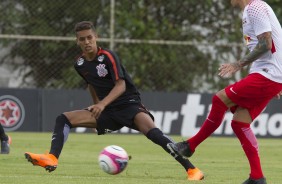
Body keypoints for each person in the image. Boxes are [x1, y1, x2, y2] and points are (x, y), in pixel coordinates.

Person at [24, 21, 204, 180]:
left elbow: (121, 86)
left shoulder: (108, 57)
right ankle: (52, 158)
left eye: (89, 38)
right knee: (63, 118)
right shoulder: (79, 63)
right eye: (82, 39)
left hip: (129, 104)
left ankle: (192, 170)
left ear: (96, 37)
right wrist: (96, 106)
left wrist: (102, 104)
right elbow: (91, 84)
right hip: (107, 111)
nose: (86, 42)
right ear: (76, 41)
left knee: (154, 134)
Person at [167, 0, 282, 184]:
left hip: (268, 75)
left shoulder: (256, 7)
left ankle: (191, 145)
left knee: (219, 100)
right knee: (239, 123)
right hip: (270, 76)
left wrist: (238, 64)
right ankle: (257, 177)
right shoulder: (248, 12)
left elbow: (267, 44)